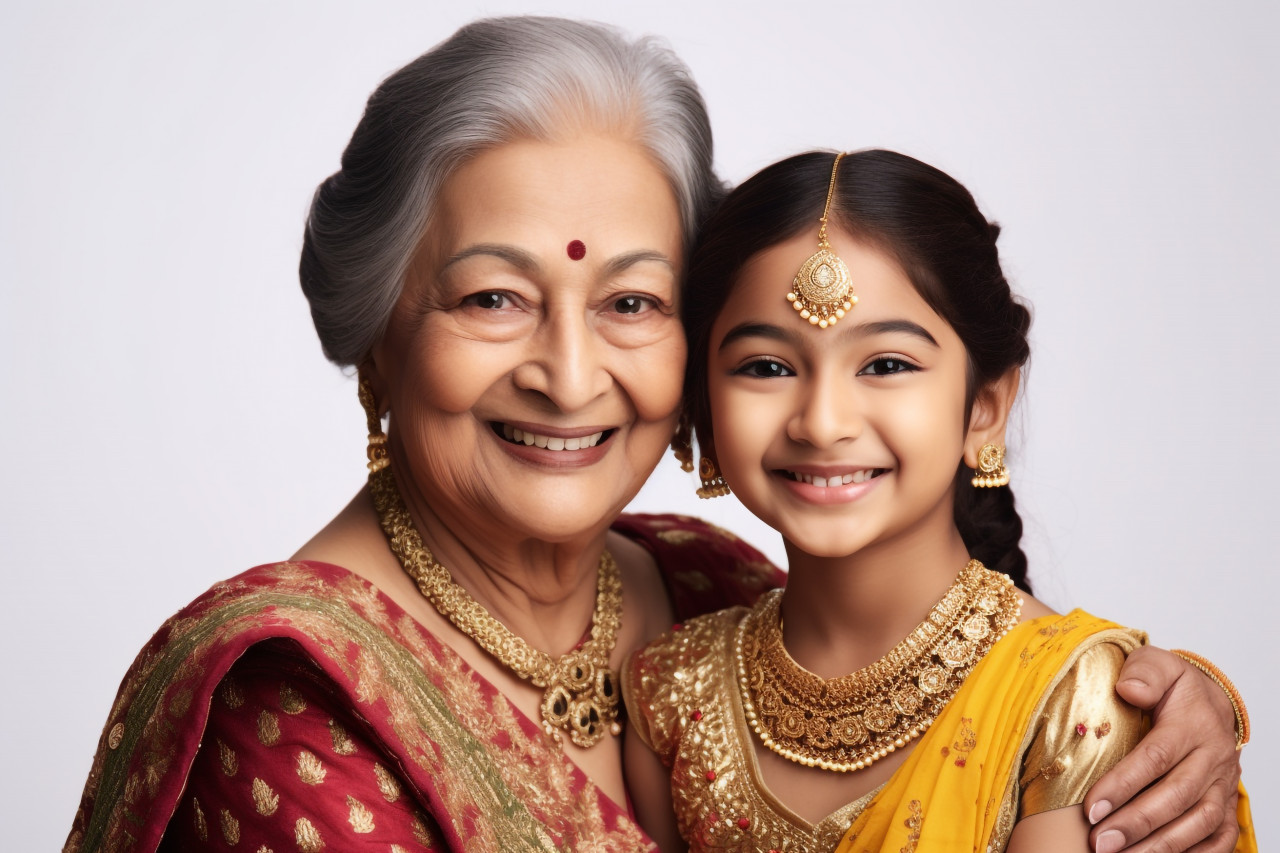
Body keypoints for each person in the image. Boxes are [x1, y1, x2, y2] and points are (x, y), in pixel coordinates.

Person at [65, 18, 1245, 853]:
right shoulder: (287, 701)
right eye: (491, 298)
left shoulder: (699, 586)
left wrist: (1149, 716)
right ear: (381, 339)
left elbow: (977, 723)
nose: (571, 374)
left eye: (629, 302)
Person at [623, 149, 1256, 852]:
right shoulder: (672, 693)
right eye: (766, 367)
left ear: (985, 407)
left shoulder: (1077, 702)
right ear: (705, 413)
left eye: (886, 364)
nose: (823, 420)